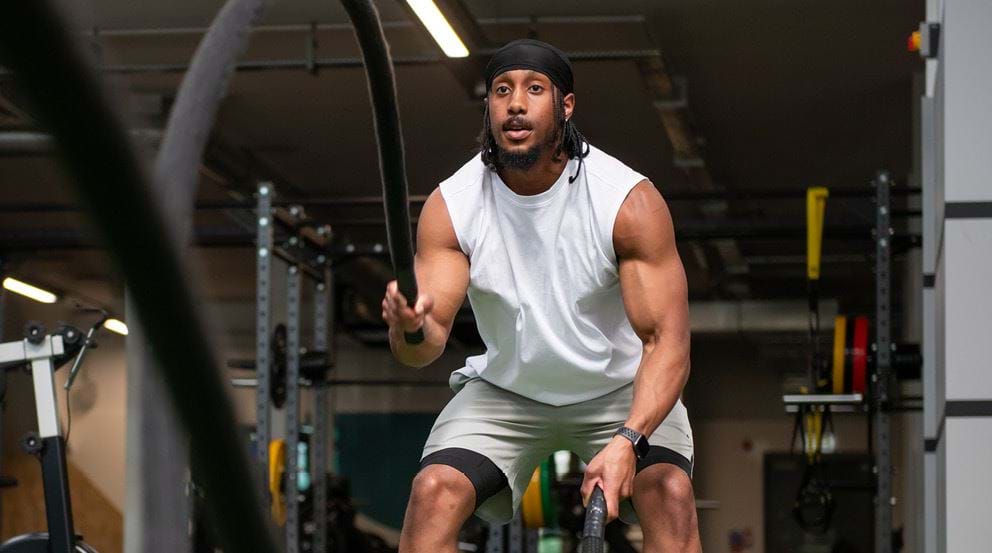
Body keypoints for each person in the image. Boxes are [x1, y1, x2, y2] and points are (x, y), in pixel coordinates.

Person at [381, 39, 699, 553]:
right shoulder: (455, 205)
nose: (516, 104)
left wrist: (629, 440)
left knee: (670, 492)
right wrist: (408, 323)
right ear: (489, 107)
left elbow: (669, 344)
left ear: (565, 106)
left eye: (534, 89)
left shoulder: (625, 200)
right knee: (432, 492)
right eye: (501, 91)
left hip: (617, 390)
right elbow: (421, 350)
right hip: (508, 391)